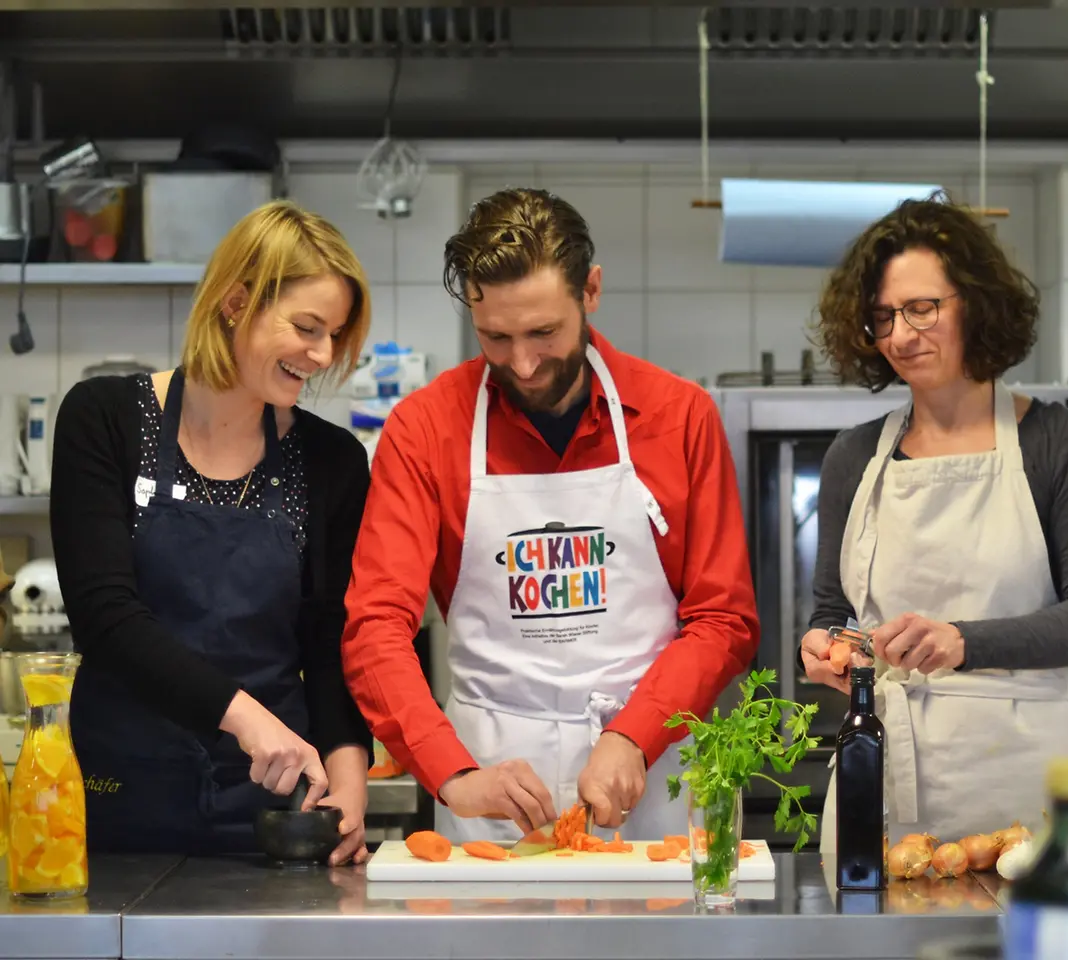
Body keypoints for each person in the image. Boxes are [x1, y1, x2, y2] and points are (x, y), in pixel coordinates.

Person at [341, 187, 759, 842]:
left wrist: (635, 735)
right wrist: (452, 774)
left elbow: (722, 617)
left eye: (544, 333)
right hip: (488, 780)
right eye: (495, 338)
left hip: (650, 776)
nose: (524, 364)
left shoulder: (679, 417)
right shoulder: (424, 429)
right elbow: (375, 628)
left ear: (590, 290)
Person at [50, 200, 376, 862]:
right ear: (235, 302)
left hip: (271, 812)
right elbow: (105, 618)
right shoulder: (105, 420)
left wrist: (349, 779)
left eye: (335, 336)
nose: (323, 355)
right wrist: (249, 719)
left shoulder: (331, 460)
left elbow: (328, 644)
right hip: (118, 800)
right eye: (308, 327)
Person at [799, 197, 1068, 848]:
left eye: (922, 308)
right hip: (882, 773)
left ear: (975, 302)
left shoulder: (1058, 442)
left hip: (1027, 785)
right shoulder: (855, 455)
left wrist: (962, 641)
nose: (900, 334)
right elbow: (833, 609)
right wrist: (821, 645)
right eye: (884, 316)